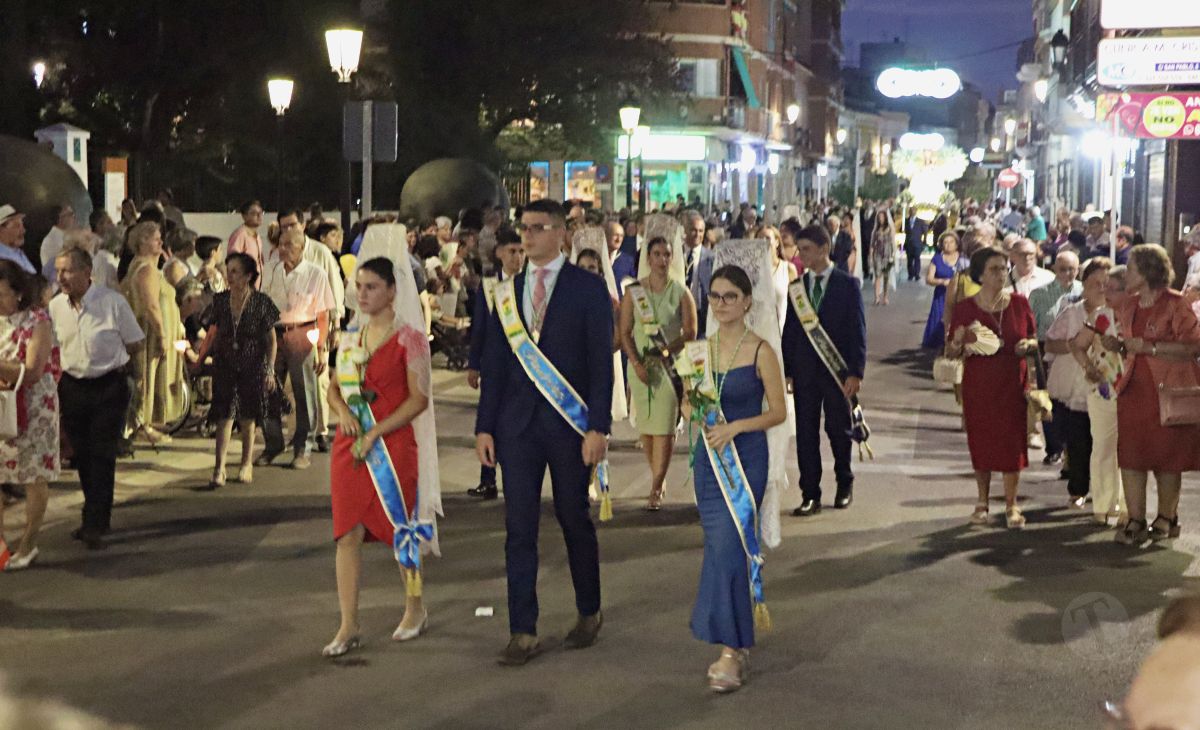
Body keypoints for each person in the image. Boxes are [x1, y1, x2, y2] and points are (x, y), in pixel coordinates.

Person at [475, 199, 613, 666]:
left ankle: (589, 610)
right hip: (517, 428)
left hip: (569, 427)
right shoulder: (507, 292)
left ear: (561, 234)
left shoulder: (588, 290)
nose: (527, 238)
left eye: (537, 229)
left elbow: (600, 366)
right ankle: (523, 629)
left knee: (574, 518)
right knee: (519, 528)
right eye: (523, 230)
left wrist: (599, 426)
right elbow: (494, 365)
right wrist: (484, 427)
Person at [323, 255, 442, 657]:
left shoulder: (410, 338)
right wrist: (342, 414)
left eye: (371, 287)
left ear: (392, 291)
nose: (363, 294)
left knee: (400, 528)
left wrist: (377, 429)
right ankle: (348, 623)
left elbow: (419, 399)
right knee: (347, 534)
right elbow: (334, 390)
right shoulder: (350, 338)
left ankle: (414, 608)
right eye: (358, 287)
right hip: (351, 447)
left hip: (391, 446)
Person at [689, 265, 787, 693]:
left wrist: (737, 427)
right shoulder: (699, 351)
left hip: (745, 456)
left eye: (730, 296)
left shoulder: (762, 349)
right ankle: (734, 642)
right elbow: (694, 408)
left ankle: (730, 650)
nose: (722, 304)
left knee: (732, 548)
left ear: (748, 301)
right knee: (718, 548)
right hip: (710, 461)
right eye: (715, 296)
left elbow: (779, 412)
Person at [1102, 244, 1200, 546]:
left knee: (1166, 457)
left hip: (1167, 390)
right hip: (1133, 388)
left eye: (1131, 268)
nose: (1125, 273)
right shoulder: (1128, 305)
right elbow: (1129, 343)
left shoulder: (1175, 303)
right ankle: (1136, 518)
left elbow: (1194, 346)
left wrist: (1149, 347)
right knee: (1132, 455)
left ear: (1147, 271)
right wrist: (1117, 345)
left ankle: (1167, 516)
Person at [50, 247, 144, 549]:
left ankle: (94, 521)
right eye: (58, 270)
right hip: (73, 386)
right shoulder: (56, 307)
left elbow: (135, 342)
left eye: (68, 270)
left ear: (87, 271)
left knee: (102, 454)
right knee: (82, 454)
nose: (61, 277)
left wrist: (118, 366)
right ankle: (95, 513)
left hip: (108, 386)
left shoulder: (111, 302)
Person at [946, 247, 1039, 529]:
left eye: (1004, 268)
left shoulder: (1020, 304)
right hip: (979, 385)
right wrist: (958, 341)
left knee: (1013, 445)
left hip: (1012, 382)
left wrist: (1029, 346)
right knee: (982, 442)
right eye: (994, 269)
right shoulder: (965, 308)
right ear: (980, 275)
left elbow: (1035, 340)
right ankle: (982, 501)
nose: (1001, 274)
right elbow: (950, 352)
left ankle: (1011, 504)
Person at [782, 224, 866, 516]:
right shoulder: (798, 288)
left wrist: (855, 372)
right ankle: (809, 493)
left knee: (838, 430)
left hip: (836, 371)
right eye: (799, 249)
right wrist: (787, 369)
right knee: (806, 433)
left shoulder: (847, 284)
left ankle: (844, 482)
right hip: (805, 372)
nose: (800, 255)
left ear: (823, 249)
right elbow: (790, 331)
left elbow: (857, 330)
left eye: (806, 249)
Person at [619, 235, 697, 510]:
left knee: (664, 426)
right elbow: (625, 331)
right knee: (648, 427)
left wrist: (666, 351)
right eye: (657, 254)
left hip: (669, 368)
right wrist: (636, 363)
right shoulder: (634, 292)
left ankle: (656, 485)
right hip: (640, 367)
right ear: (648, 258)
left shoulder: (681, 291)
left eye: (667, 254)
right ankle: (657, 475)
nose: (662, 260)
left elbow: (690, 331)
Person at [192, 253, 279, 489]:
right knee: (224, 414)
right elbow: (211, 333)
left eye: (235, 272)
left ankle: (245, 463)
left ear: (248, 276)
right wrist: (200, 359)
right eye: (228, 270)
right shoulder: (221, 301)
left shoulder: (261, 302)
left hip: (252, 362)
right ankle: (219, 467)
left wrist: (269, 370)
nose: (229, 276)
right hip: (225, 362)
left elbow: (271, 340)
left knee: (248, 416)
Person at [258, 226, 335, 470]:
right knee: (268, 388)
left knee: (305, 394)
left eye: (289, 245)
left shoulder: (315, 273)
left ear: (302, 248)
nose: (283, 249)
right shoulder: (270, 269)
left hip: (302, 332)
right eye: (281, 244)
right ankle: (273, 443)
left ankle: (303, 447)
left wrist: (321, 347)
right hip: (273, 333)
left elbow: (323, 314)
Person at [0, 262, 60, 570]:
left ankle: (28, 542)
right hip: (1, 402)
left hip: (32, 405)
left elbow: (34, 370)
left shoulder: (38, 320)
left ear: (20, 294)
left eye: (2, 294)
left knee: (33, 474)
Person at [1045, 257, 1110, 510]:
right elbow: (1050, 343)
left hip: (1108, 386)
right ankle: (1078, 489)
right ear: (1084, 285)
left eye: (1106, 283)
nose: (1101, 289)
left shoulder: (1118, 314)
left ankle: (1104, 490)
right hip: (1077, 385)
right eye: (1095, 283)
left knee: (1104, 441)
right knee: (1079, 440)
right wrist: (1077, 345)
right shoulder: (1073, 312)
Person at [466, 228, 524, 500]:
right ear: (499, 252)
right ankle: (487, 479)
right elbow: (479, 328)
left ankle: (517, 478)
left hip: (524, 367)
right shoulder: (489, 286)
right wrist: (473, 364)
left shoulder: (529, 285)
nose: (518, 257)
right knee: (489, 420)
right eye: (512, 251)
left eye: (522, 251)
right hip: (493, 365)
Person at [121, 221, 186, 445]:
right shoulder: (145, 270)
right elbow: (150, 306)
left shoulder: (146, 267)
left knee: (146, 378)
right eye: (155, 238)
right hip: (148, 334)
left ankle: (143, 424)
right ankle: (140, 426)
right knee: (144, 378)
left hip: (149, 333)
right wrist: (162, 335)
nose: (160, 241)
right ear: (141, 242)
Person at [922, 232, 968, 349]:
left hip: (959, 296)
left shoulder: (963, 259)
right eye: (945, 242)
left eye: (951, 242)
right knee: (939, 323)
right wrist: (942, 282)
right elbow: (929, 279)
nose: (948, 245)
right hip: (941, 296)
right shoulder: (937, 259)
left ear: (957, 244)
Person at [226, 200, 266, 283]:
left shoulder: (257, 236)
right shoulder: (240, 235)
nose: (259, 216)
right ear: (244, 216)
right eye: (254, 213)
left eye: (261, 212)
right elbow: (233, 261)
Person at [39, 204, 76, 281]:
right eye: (70, 214)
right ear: (60, 218)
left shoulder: (66, 236)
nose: (73, 217)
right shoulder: (51, 240)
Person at [870, 209, 896, 306]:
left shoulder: (889, 228)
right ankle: (876, 297)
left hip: (887, 254)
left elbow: (893, 242)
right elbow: (872, 243)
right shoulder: (876, 230)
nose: (880, 219)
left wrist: (893, 255)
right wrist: (871, 254)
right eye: (879, 217)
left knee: (886, 276)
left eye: (882, 217)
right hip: (877, 254)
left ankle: (885, 296)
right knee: (877, 275)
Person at [0, 205, 35, 274]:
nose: (23, 230)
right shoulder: (2, 259)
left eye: (22, 225)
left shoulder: (17, 252)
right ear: (1, 230)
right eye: (17, 226)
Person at [608, 221, 637, 296]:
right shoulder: (597, 259)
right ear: (607, 236)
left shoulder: (628, 260)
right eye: (615, 235)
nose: (618, 239)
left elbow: (634, 286)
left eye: (621, 236)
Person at [903, 212, 929, 281]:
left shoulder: (920, 221)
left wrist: (924, 242)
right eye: (911, 210)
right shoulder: (906, 220)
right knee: (909, 260)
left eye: (913, 210)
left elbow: (925, 232)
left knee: (917, 259)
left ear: (916, 211)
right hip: (908, 243)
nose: (912, 211)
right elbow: (905, 231)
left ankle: (917, 274)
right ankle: (910, 275)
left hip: (917, 244)